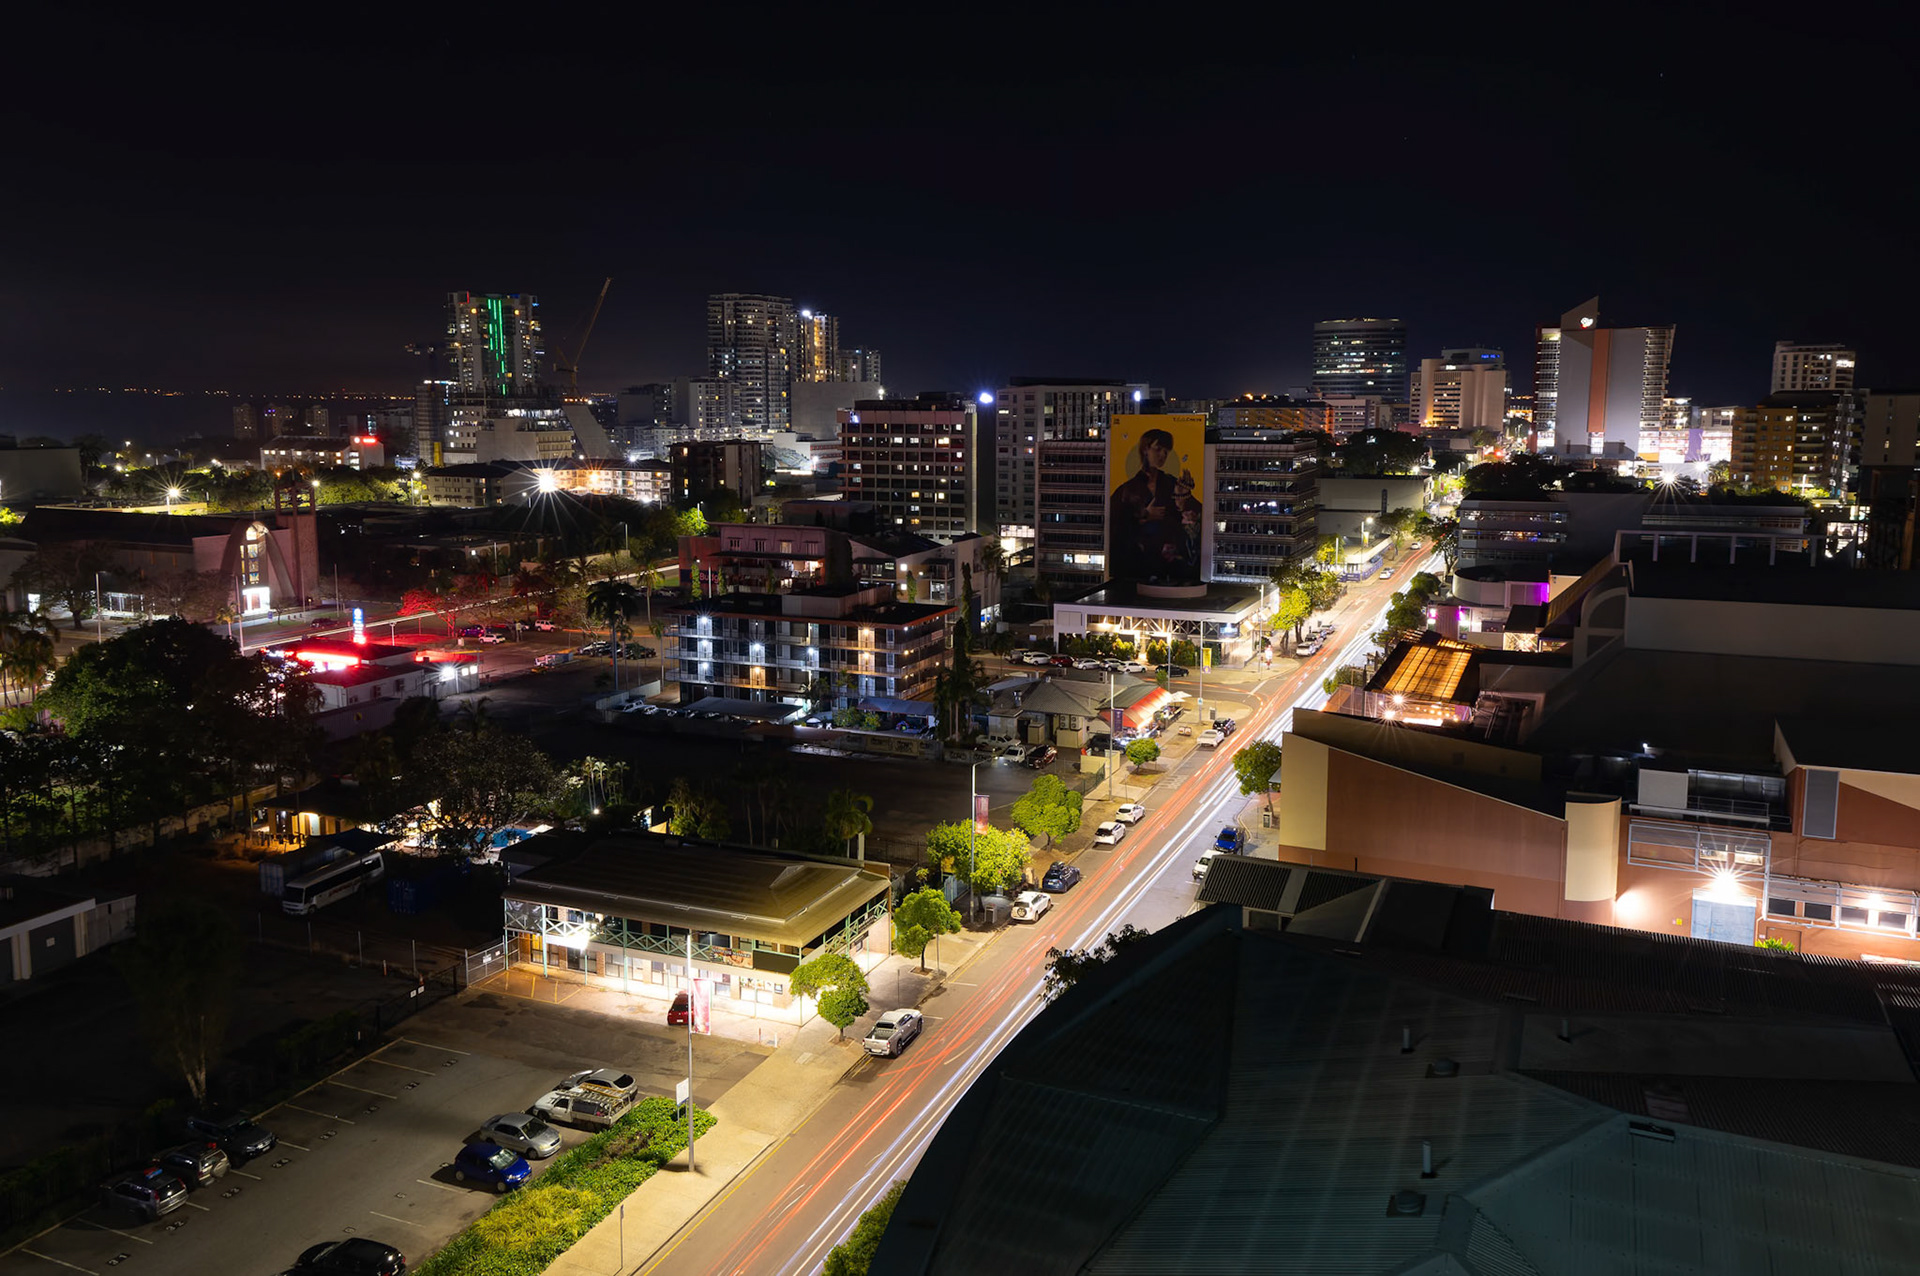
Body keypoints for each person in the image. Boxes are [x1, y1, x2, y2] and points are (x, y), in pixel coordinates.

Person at [1109, 428, 1202, 584]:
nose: (1162, 455)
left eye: (1166, 452)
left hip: (1171, 568)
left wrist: (1182, 499)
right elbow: (1115, 525)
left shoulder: (1171, 483)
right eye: (1158, 449)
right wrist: (1144, 515)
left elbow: (1194, 515)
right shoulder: (1127, 490)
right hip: (1137, 568)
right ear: (1145, 449)